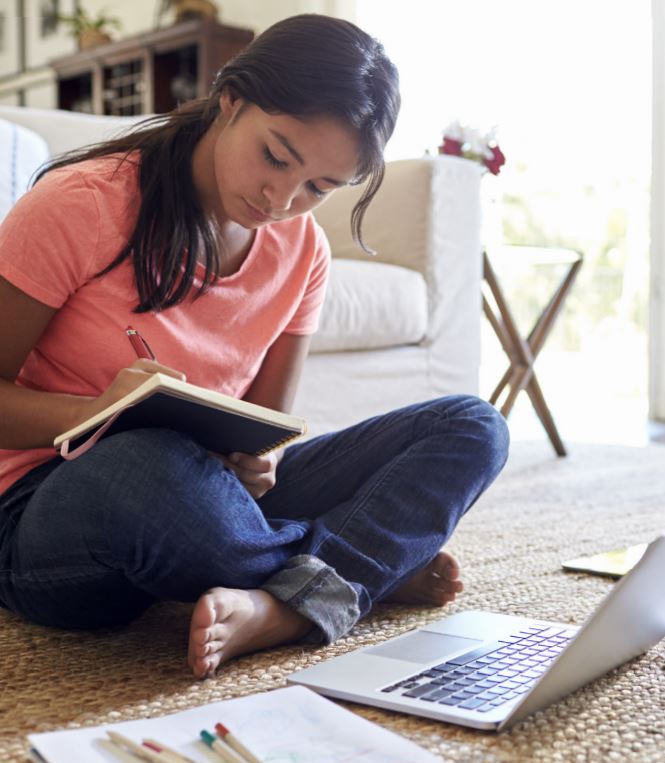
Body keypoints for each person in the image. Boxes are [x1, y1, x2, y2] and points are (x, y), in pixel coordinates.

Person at [0, 14, 509, 679]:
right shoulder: (84, 204)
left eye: (318, 189)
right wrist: (94, 410)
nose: (280, 198)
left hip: (210, 500)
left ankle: (289, 599)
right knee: (145, 466)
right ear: (230, 98)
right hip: (45, 511)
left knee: (473, 426)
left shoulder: (302, 253)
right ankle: (352, 573)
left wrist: (257, 467)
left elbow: (263, 442)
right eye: (276, 155)